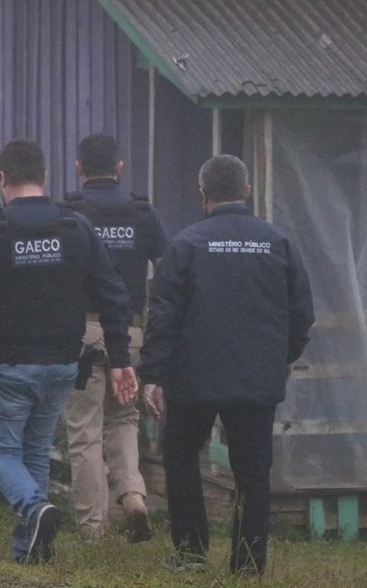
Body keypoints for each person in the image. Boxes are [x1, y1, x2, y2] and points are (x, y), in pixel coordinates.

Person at [0, 138, 138, 565]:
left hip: (7, 368)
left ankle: (34, 508)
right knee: (35, 452)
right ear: (47, 177)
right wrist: (121, 359)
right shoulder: (76, 228)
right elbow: (115, 296)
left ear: (1, 178)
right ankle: (33, 552)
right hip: (61, 366)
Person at [138, 154, 314, 576]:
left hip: (193, 379)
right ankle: (249, 564)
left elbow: (164, 315)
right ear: (246, 191)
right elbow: (302, 314)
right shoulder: (278, 244)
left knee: (181, 456)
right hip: (256, 379)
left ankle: (191, 553)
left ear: (203, 195)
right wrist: (281, 357)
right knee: (253, 472)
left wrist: (153, 375)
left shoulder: (187, 244)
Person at [60, 133, 170, 543]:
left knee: (85, 429)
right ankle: (133, 495)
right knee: (123, 419)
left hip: (83, 332)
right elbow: (169, 266)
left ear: (79, 168)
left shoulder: (69, 213)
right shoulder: (142, 212)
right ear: (119, 168)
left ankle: (94, 528)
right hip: (132, 329)